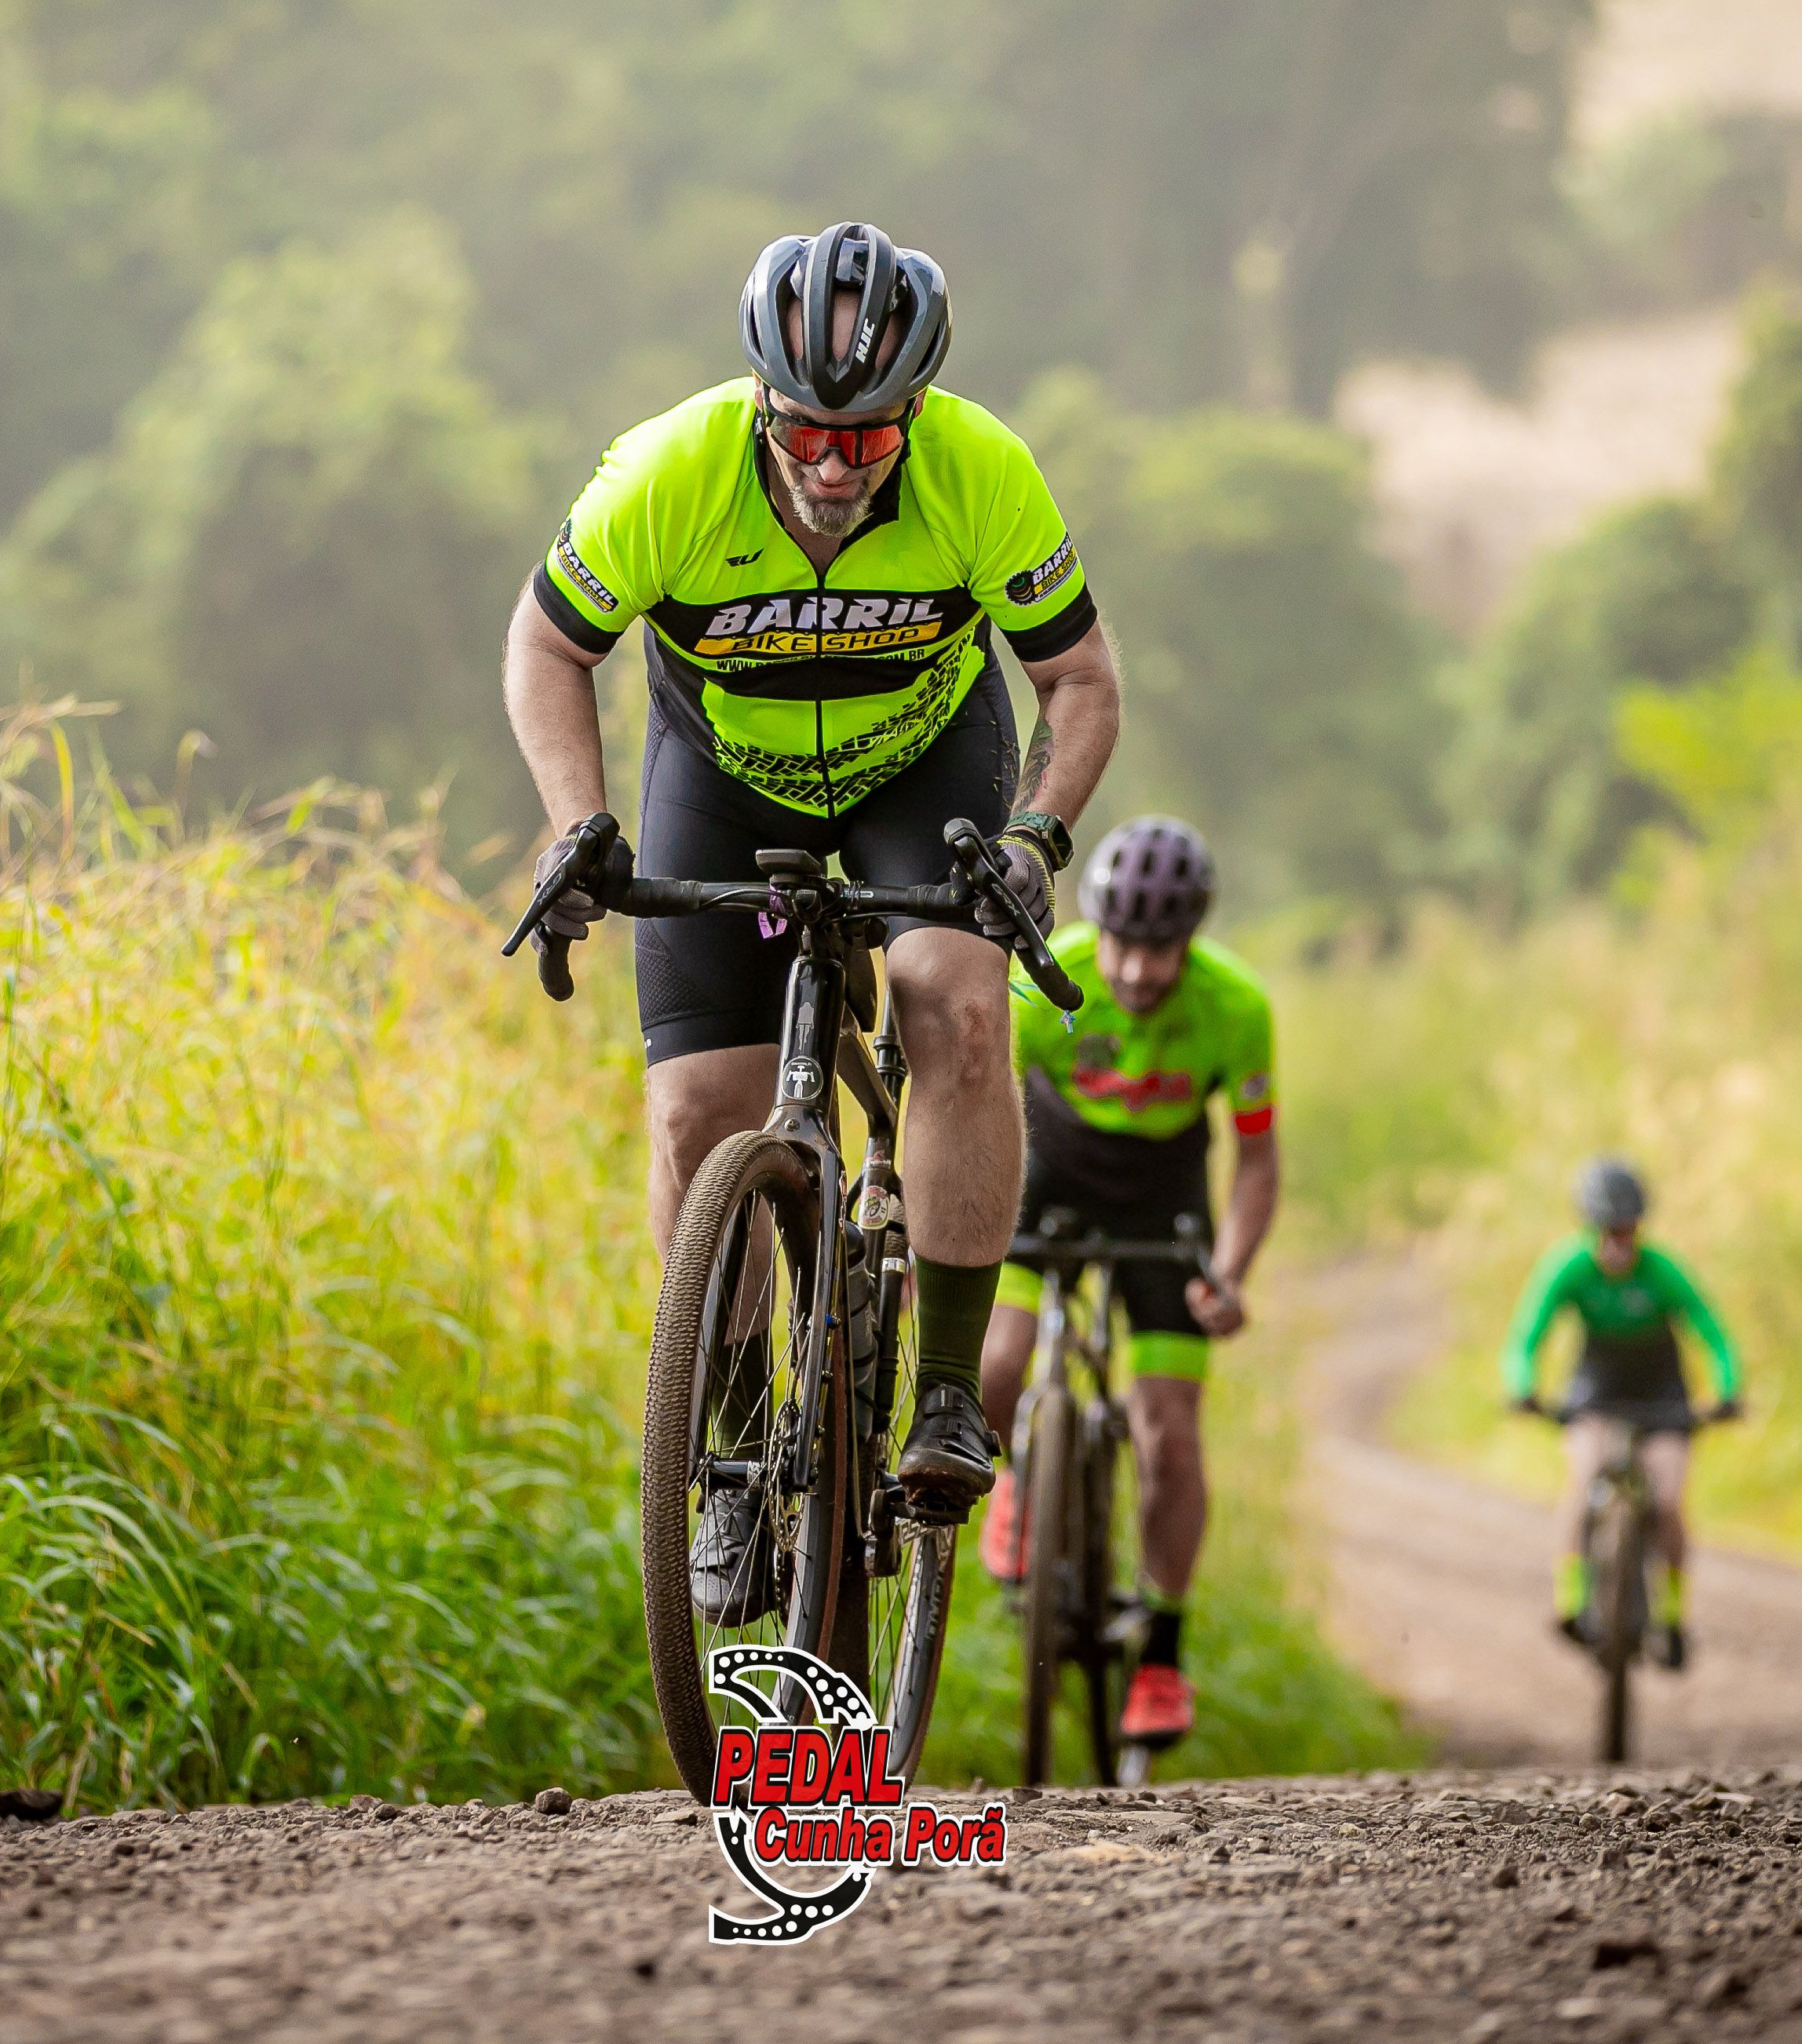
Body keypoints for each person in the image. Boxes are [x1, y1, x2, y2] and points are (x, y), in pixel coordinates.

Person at [502, 221, 1125, 1605]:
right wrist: (577, 825)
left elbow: (1080, 682)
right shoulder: (665, 472)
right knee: (693, 1112)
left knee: (956, 1008)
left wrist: (1035, 839)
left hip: (925, 772)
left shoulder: (984, 469)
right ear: (759, 402)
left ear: (918, 417)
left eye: (871, 439)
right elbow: (548, 644)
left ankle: (948, 1389)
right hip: (721, 775)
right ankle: (729, 1466)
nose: (835, 467)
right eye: (805, 434)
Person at [976, 817, 1277, 1751]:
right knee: (996, 1364)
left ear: (1192, 939)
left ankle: (1162, 1655)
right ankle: (1018, 1479)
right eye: (1124, 946)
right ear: (1095, 926)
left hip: (1163, 1198)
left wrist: (1230, 1274)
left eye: (1163, 950)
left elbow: (1257, 1164)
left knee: (1168, 1437)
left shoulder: (1237, 1007)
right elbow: (969, 1115)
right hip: (1045, 1173)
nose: (1141, 971)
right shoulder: (1041, 979)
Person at [1504, 1157, 1743, 1671]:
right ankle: (1572, 1602)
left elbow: (1712, 1331)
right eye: (1608, 1231)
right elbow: (1528, 1334)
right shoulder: (1568, 1266)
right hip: (1597, 1387)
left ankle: (1673, 1618)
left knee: (1669, 1499)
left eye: (1627, 1230)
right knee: (1584, 1476)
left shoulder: (1663, 1270)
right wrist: (1522, 1387)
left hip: (1662, 1389)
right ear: (1589, 1229)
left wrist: (1727, 1390)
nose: (1618, 1243)